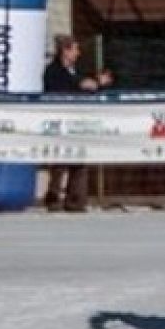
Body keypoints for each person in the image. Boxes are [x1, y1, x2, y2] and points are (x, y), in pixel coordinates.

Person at [41, 34, 113, 212]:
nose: (78, 53)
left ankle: (76, 200)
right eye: (75, 49)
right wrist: (92, 83)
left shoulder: (74, 71)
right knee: (59, 162)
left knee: (79, 161)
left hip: (76, 121)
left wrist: (96, 84)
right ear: (65, 51)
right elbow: (74, 86)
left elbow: (85, 87)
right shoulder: (53, 71)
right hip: (59, 121)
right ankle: (54, 197)